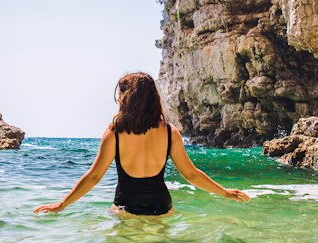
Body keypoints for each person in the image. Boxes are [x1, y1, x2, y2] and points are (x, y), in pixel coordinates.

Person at [33, 72, 250, 216]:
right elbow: (191, 174)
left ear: (127, 98)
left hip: (126, 208)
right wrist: (224, 192)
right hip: (162, 207)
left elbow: (94, 176)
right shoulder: (169, 131)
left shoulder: (115, 132)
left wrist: (62, 205)